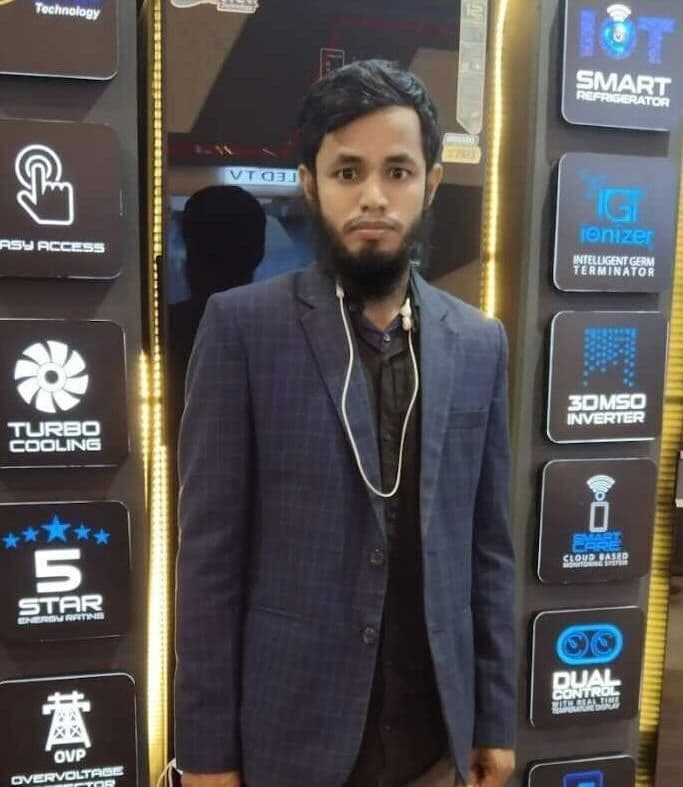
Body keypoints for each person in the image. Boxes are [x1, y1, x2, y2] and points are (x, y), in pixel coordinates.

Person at [174, 59, 516, 787]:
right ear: (310, 183)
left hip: (434, 740)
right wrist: (205, 755)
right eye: (347, 171)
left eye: (398, 171)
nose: (373, 196)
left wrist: (492, 719)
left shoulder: (479, 341)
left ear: (430, 183)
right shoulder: (242, 330)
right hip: (290, 740)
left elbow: (488, 551)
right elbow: (208, 562)